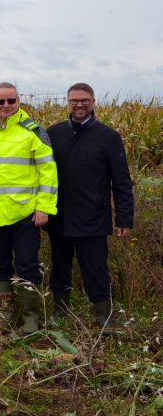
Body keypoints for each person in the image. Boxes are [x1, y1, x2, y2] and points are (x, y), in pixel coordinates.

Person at [0, 82, 58, 334]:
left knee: (27, 265)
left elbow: (48, 172)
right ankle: (4, 315)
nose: (6, 106)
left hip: (26, 214)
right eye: (0, 102)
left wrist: (44, 207)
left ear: (18, 102)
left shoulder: (32, 131)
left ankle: (30, 321)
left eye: (11, 101)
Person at [45, 83, 134, 330]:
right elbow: (41, 175)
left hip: (92, 219)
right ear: (67, 103)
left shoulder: (108, 137)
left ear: (93, 102)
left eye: (84, 100)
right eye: (74, 100)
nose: (79, 105)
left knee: (96, 270)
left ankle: (104, 318)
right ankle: (59, 313)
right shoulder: (54, 133)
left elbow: (122, 181)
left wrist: (124, 218)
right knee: (60, 269)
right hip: (59, 217)